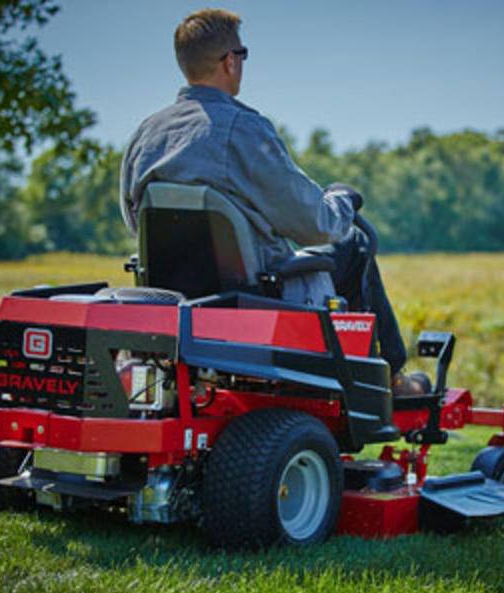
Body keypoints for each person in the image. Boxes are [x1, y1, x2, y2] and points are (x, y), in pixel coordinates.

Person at [120, 9, 427, 396]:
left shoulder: (146, 134)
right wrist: (342, 200)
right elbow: (316, 223)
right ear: (229, 61)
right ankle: (392, 379)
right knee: (354, 244)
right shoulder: (244, 129)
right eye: (242, 55)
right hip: (256, 293)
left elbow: (136, 223)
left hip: (173, 296)